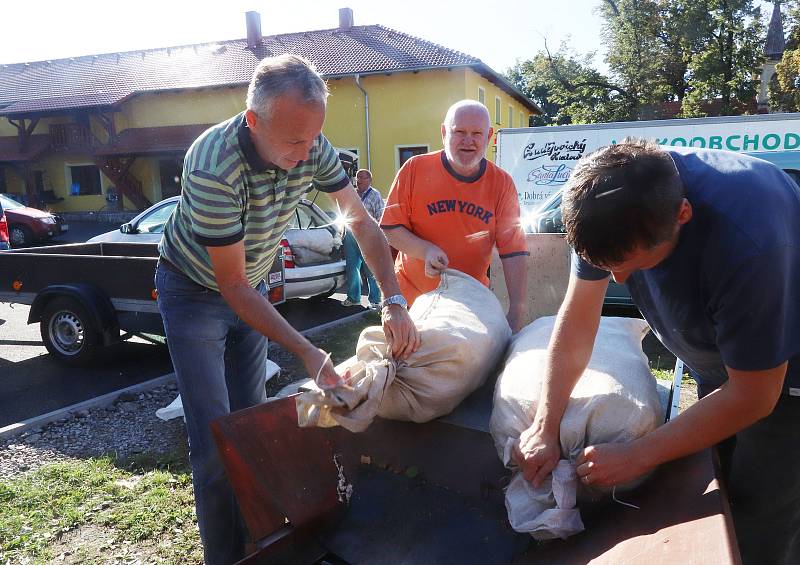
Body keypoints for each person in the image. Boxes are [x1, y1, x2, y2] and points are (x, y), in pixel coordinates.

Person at [155, 54, 419, 565]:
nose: (306, 153)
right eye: (293, 141)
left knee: (250, 426)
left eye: (312, 138)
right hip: (194, 293)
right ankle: (224, 556)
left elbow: (362, 224)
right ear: (254, 120)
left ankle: (257, 538)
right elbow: (229, 285)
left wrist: (392, 299)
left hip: (250, 286)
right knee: (214, 441)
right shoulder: (212, 166)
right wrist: (308, 351)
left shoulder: (312, 146)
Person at [514, 139, 799, 565]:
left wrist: (637, 455)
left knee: (762, 508)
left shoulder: (750, 241)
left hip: (786, 374)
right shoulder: (606, 202)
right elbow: (577, 320)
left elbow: (756, 395)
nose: (619, 278)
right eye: (606, 266)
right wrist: (545, 422)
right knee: (718, 477)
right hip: (725, 359)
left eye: (633, 263)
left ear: (683, 215)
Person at [380, 100, 529, 332]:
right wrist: (425, 250)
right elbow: (390, 229)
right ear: (443, 132)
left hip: (469, 304)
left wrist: (516, 312)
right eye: (459, 131)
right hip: (412, 302)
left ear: (488, 136)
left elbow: (514, 252)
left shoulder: (502, 184)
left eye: (476, 133)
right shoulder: (414, 169)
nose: (468, 141)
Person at [342, 168, 384, 308]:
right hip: (350, 235)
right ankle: (354, 298)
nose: (358, 180)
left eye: (362, 177)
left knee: (370, 268)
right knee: (352, 267)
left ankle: (375, 300)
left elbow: (380, 216)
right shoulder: (352, 193)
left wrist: (378, 236)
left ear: (369, 180)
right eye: (357, 177)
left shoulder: (375, 195)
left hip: (367, 237)